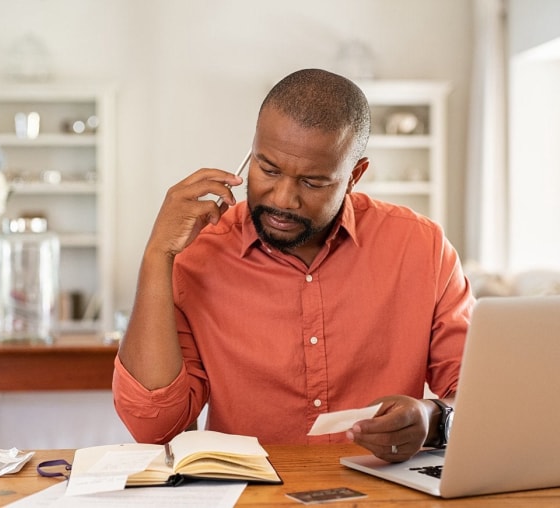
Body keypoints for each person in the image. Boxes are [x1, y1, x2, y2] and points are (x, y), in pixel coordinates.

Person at [113, 68, 475, 463]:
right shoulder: (198, 254)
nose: (284, 199)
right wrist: (157, 255)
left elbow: (480, 397)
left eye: (314, 182)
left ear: (354, 176)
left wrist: (433, 416)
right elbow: (154, 428)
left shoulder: (422, 248)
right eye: (268, 169)